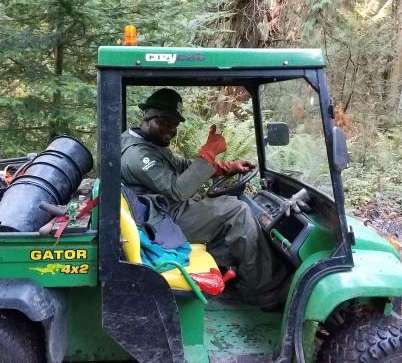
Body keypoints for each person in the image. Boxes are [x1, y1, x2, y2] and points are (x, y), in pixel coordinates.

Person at [120, 88, 285, 306]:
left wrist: (226, 167)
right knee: (237, 211)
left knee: (225, 213)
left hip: (164, 212)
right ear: (147, 116)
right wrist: (208, 152)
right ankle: (266, 290)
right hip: (161, 221)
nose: (170, 129)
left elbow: (184, 167)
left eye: (174, 124)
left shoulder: (149, 145)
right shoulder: (137, 155)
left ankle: (236, 277)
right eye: (164, 121)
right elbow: (178, 190)